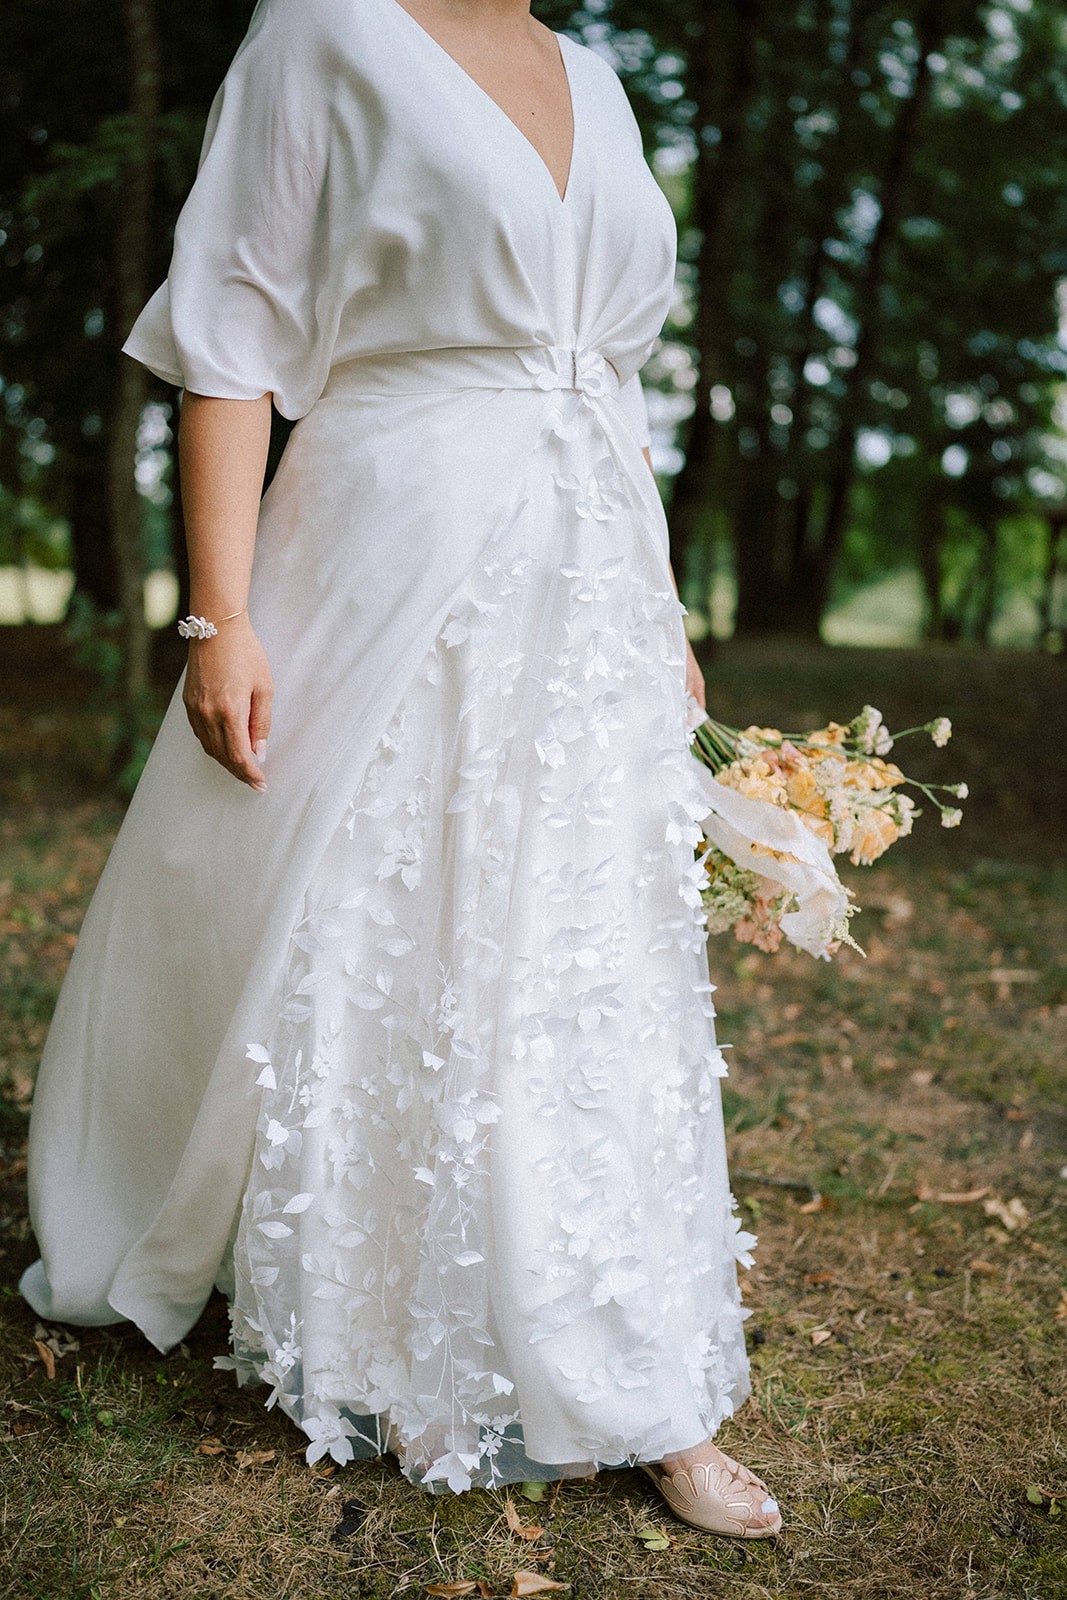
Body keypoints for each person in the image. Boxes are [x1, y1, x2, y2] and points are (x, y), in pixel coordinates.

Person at [20, 0, 781, 1539]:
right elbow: (229, 329)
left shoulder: (600, 82)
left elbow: (612, 382)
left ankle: (641, 1366)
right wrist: (219, 616)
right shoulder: (323, 32)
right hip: (393, 532)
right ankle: (396, 1320)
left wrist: (665, 607)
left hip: (588, 580)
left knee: (585, 949)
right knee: (396, 921)